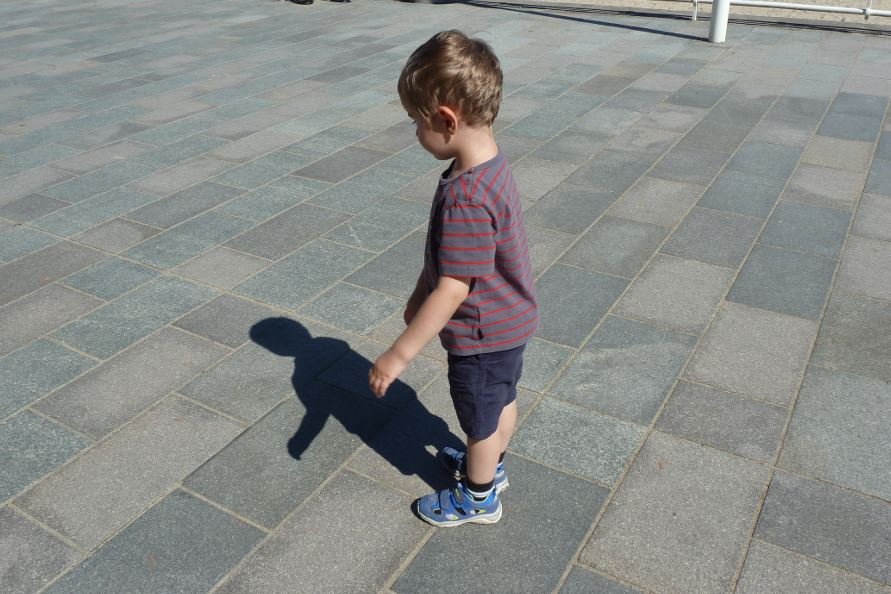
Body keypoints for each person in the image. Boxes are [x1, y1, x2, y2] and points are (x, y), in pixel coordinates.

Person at [368, 30, 538, 527]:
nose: (415, 132)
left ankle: (478, 498)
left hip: (480, 336)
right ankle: (492, 467)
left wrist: (398, 353)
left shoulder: (466, 197)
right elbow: (453, 263)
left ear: (446, 120)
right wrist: (417, 294)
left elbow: (454, 286)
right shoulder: (492, 165)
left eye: (416, 122)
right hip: (510, 322)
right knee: (501, 400)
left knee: (479, 421)